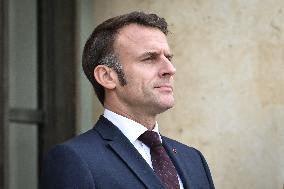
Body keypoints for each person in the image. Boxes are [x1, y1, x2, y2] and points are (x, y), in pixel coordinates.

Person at [41, 11, 215, 189]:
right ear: (107, 77)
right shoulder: (74, 159)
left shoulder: (193, 160)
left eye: (168, 58)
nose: (170, 69)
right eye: (149, 58)